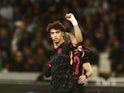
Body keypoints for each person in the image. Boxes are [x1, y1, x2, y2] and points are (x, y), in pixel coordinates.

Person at [45, 13, 83, 93]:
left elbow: (79, 40)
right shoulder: (52, 54)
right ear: (50, 36)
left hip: (67, 88)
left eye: (57, 32)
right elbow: (47, 74)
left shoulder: (67, 46)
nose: (55, 35)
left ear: (62, 34)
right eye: (52, 33)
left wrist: (74, 21)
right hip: (55, 89)